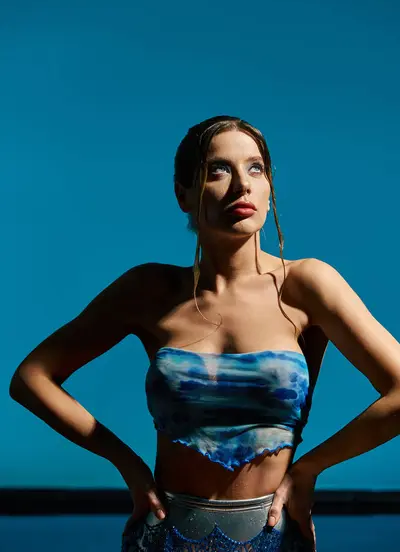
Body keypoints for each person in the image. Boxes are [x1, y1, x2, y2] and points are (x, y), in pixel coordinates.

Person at [9, 115, 400, 552]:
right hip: (164, 535)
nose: (241, 185)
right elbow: (31, 379)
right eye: (218, 170)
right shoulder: (150, 290)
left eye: (255, 168)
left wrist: (310, 469)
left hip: (274, 536)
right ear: (184, 193)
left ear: (270, 188)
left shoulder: (306, 285)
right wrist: (129, 466)